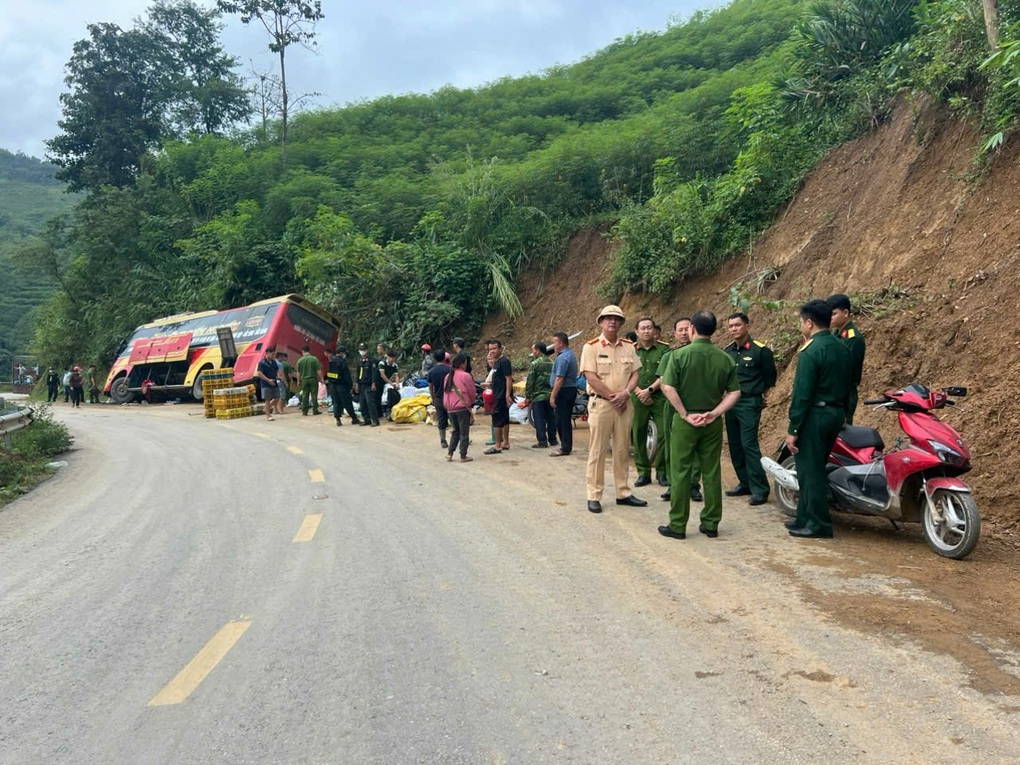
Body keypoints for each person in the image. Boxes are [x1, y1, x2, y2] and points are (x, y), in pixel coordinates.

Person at [658, 310, 741, 540]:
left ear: (692, 328)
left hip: (685, 423)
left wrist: (684, 414)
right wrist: (715, 413)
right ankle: (711, 523)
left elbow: (667, 387)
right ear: (714, 330)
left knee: (680, 471)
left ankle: (677, 525)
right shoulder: (725, 358)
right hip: (711, 423)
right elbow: (735, 391)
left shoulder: (679, 356)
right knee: (711, 471)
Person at [785, 299, 852, 539]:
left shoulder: (811, 350)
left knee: (809, 471)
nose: (801, 326)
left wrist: (793, 427)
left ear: (810, 323)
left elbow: (802, 393)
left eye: (801, 322)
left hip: (815, 415)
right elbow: (849, 385)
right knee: (814, 466)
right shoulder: (842, 347)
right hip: (835, 413)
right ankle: (803, 517)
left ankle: (818, 524)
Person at [579, 305, 645, 514]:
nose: (612, 322)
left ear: (621, 323)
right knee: (597, 451)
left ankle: (623, 492)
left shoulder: (629, 347)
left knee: (622, 449)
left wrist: (625, 393)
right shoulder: (591, 347)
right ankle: (594, 494)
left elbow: (635, 374)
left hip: (625, 404)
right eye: (607, 318)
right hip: (602, 405)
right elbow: (590, 377)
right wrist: (612, 397)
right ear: (600, 322)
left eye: (616, 319)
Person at [723, 312, 777, 506]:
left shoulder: (760, 351)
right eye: (731, 326)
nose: (734, 329)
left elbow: (770, 378)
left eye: (737, 325)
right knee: (735, 444)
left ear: (747, 326)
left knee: (749, 444)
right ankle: (744, 482)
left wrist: (763, 397)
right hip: (731, 403)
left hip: (749, 402)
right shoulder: (728, 351)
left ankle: (760, 489)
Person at [656, 318, 702, 502]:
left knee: (696, 448)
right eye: (679, 330)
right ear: (674, 333)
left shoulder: (701, 354)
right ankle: (673, 485)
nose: (683, 333)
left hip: (696, 404)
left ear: (693, 330)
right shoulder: (669, 356)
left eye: (686, 329)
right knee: (670, 446)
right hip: (672, 406)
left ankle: (693, 485)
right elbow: (663, 382)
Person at [631, 317, 669, 488]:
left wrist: (649, 391)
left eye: (649, 328)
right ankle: (643, 473)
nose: (646, 331)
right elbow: (626, 374)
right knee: (638, 434)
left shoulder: (664, 350)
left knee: (663, 434)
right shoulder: (629, 350)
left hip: (659, 396)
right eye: (643, 328)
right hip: (636, 396)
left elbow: (665, 375)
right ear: (637, 332)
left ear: (655, 330)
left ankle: (662, 472)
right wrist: (639, 392)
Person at [827, 294, 866, 424]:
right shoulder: (837, 335)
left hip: (844, 394)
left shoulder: (853, 339)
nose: (830, 318)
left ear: (845, 313)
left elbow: (844, 371)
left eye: (833, 314)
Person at [548, 332, 578, 457]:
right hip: (568, 390)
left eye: (554, 342)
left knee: (562, 420)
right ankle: (565, 445)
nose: (553, 345)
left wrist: (553, 395)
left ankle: (565, 448)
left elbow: (559, 378)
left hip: (564, 391)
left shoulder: (563, 357)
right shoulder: (568, 354)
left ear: (561, 343)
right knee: (563, 419)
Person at [523, 342, 557, 448]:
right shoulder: (552, 362)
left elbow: (530, 381)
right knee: (551, 418)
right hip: (551, 395)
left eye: (533, 350)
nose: (532, 353)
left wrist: (528, 396)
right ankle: (553, 440)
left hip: (538, 396)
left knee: (539, 419)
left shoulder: (535, 363)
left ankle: (542, 441)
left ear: (538, 350)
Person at [443, 352, 476, 462]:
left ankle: (450, 453)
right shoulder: (466, 376)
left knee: (455, 431)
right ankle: (463, 455)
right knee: (464, 432)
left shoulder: (448, 376)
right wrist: (470, 404)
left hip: (450, 408)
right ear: (463, 363)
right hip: (462, 407)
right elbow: (472, 392)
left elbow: (445, 393)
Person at [483, 339, 513, 454]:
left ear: (500, 349)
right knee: (505, 419)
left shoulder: (504, 361)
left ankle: (497, 445)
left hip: (501, 396)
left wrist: (507, 394)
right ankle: (506, 442)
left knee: (496, 419)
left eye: (494, 349)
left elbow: (508, 378)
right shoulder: (496, 362)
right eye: (490, 349)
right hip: (498, 394)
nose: (492, 351)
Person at [327, 346, 360, 426]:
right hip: (342, 386)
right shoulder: (342, 362)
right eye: (344, 352)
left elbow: (329, 374)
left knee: (336, 402)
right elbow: (347, 376)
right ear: (341, 353)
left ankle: (338, 419)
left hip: (333, 385)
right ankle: (354, 418)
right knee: (347, 402)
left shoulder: (330, 361)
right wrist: (350, 386)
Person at [427, 349, 452, 448]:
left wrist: (433, 398)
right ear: (444, 358)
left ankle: (443, 440)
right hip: (450, 398)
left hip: (438, 398)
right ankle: (459, 438)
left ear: (435, 359)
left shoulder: (431, 371)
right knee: (454, 419)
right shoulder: (450, 370)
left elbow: (430, 386)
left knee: (441, 420)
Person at [356, 343, 381, 426]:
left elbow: (374, 373)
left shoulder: (371, 361)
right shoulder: (359, 361)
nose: (362, 351)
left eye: (363, 350)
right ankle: (366, 419)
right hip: (361, 385)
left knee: (370, 403)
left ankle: (375, 420)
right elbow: (357, 373)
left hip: (369, 384)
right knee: (362, 403)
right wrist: (356, 384)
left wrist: (373, 383)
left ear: (366, 350)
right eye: (361, 350)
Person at [296, 345, 323, 416]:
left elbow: (298, 372)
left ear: (303, 351)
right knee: (314, 395)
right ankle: (315, 410)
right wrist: (322, 378)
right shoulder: (314, 359)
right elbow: (318, 370)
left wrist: (298, 381)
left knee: (305, 395)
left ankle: (304, 411)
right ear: (309, 351)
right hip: (313, 379)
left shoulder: (300, 360)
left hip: (304, 379)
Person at [257, 345, 281, 421]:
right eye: (272, 354)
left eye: (274, 354)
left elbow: (276, 371)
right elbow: (260, 373)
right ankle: (268, 415)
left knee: (277, 398)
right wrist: (268, 380)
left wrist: (278, 376)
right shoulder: (262, 363)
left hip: (274, 382)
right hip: (266, 384)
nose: (273, 356)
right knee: (267, 400)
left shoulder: (274, 362)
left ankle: (266, 409)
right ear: (267, 353)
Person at [377, 349, 400, 419]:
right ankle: (378, 414)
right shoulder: (382, 363)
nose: (391, 359)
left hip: (386, 383)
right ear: (387, 357)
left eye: (393, 357)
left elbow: (396, 375)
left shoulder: (395, 366)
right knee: (377, 397)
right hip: (378, 382)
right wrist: (391, 383)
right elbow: (382, 375)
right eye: (390, 357)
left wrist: (397, 384)